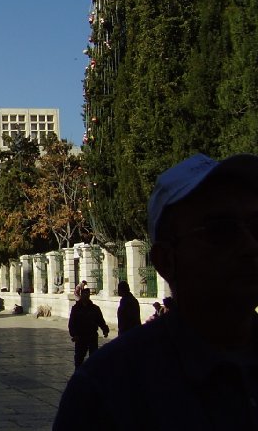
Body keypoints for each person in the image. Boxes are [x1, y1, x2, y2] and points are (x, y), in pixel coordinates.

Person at [54, 153, 258, 429]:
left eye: (256, 227)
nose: (250, 246)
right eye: (220, 231)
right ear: (165, 260)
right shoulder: (108, 388)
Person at [68, 287, 109, 367]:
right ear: (81, 295)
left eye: (88, 294)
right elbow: (72, 323)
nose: (86, 296)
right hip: (80, 337)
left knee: (93, 359)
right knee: (79, 359)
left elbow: (100, 320)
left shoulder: (95, 308)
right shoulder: (76, 309)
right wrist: (74, 334)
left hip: (92, 336)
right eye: (84, 294)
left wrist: (105, 329)